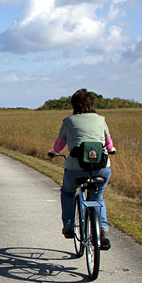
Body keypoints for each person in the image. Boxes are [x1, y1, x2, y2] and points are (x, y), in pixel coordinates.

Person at [49, 89, 116, 249]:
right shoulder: (101, 120)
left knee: (68, 192)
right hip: (101, 168)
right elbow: (109, 143)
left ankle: (69, 225)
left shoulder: (69, 121)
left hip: (75, 168)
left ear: (74, 104)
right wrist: (112, 150)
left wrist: (54, 152)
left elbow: (59, 145)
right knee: (97, 197)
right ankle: (103, 230)